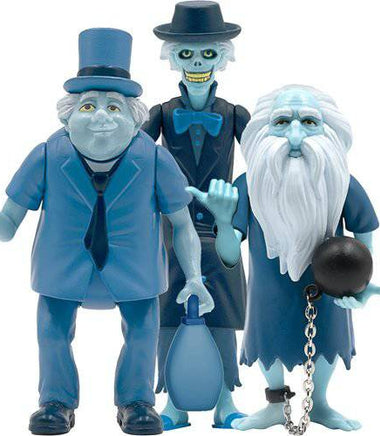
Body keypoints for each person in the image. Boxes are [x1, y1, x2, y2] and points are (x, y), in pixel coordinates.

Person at [0, 28, 214, 435]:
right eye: (89, 105)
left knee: (143, 333)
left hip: (136, 269)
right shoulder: (46, 155)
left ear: (135, 117)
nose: (101, 116)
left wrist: (194, 276)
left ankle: (136, 401)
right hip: (61, 269)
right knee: (51, 333)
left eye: (114, 106)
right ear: (68, 115)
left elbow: (182, 223)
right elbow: (6, 228)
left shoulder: (155, 159)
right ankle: (55, 402)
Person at [188, 85, 380, 431]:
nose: (295, 136)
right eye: (282, 122)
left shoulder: (340, 182)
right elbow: (229, 255)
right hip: (269, 289)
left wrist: (360, 284)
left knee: (328, 339)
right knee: (268, 339)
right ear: (264, 132)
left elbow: (363, 233)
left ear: (329, 131)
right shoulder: (250, 184)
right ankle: (274, 405)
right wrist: (223, 221)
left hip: (328, 286)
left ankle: (319, 402)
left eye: (309, 122)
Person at [142, 2, 250, 429]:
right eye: (187, 54)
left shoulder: (235, 114)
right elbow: (134, 159)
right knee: (168, 309)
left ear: (223, 56)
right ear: (173, 58)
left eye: (208, 54)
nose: (198, 63)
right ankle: (173, 403)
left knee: (222, 311)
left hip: (223, 226)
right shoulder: (162, 113)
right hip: (172, 228)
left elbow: (264, 162)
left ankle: (226, 399)